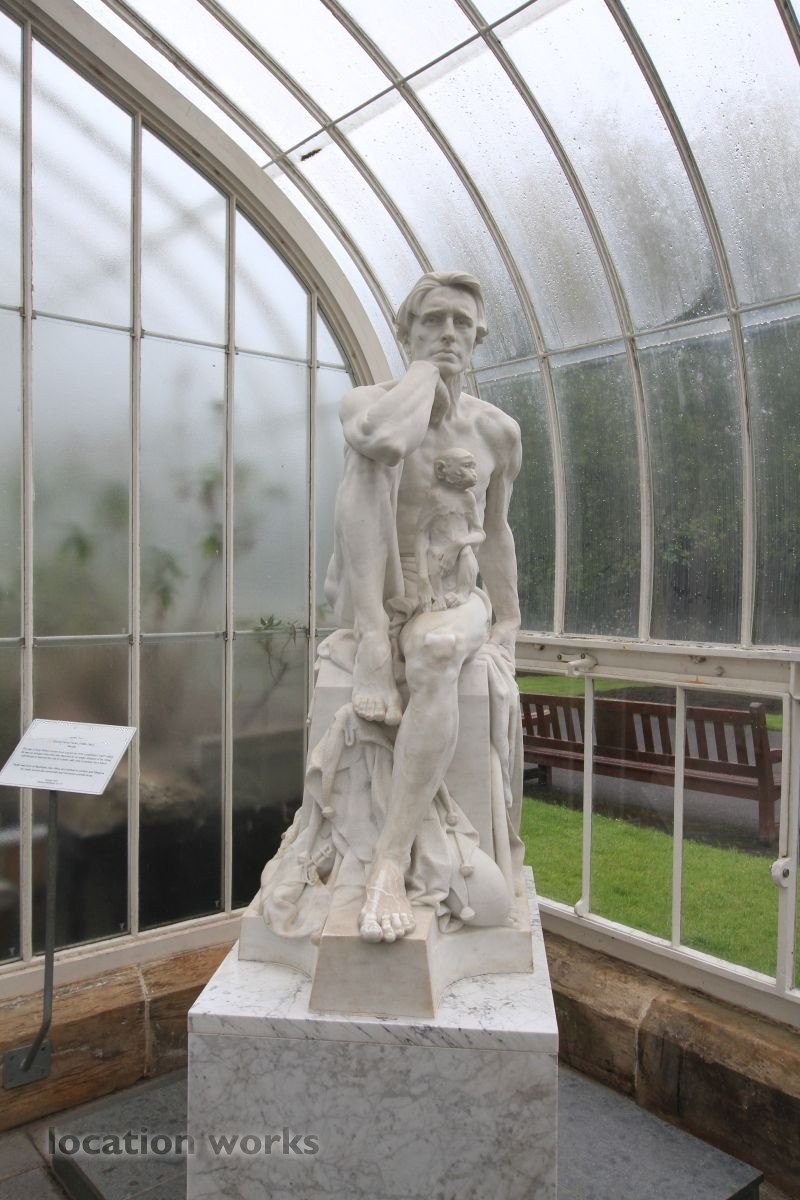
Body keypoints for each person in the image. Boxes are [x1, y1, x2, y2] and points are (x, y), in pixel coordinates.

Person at [324, 271, 522, 943]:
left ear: (478, 338)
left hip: (451, 597)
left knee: (437, 652)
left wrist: (509, 620)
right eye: (432, 319)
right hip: (379, 600)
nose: (448, 333)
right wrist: (424, 376)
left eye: (462, 323)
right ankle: (372, 641)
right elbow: (381, 439)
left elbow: (497, 532)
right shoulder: (369, 402)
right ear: (405, 332)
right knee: (366, 463)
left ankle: (390, 860)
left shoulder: (496, 430)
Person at [415, 447, 485, 612]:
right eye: (466, 466)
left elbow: (480, 533)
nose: (473, 473)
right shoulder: (434, 498)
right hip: (438, 563)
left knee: (466, 551)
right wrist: (422, 578)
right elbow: (421, 534)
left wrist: (458, 544)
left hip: (462, 561)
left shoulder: (468, 498)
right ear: (441, 469)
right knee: (433, 552)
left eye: (473, 467)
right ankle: (438, 597)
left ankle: (462, 594)